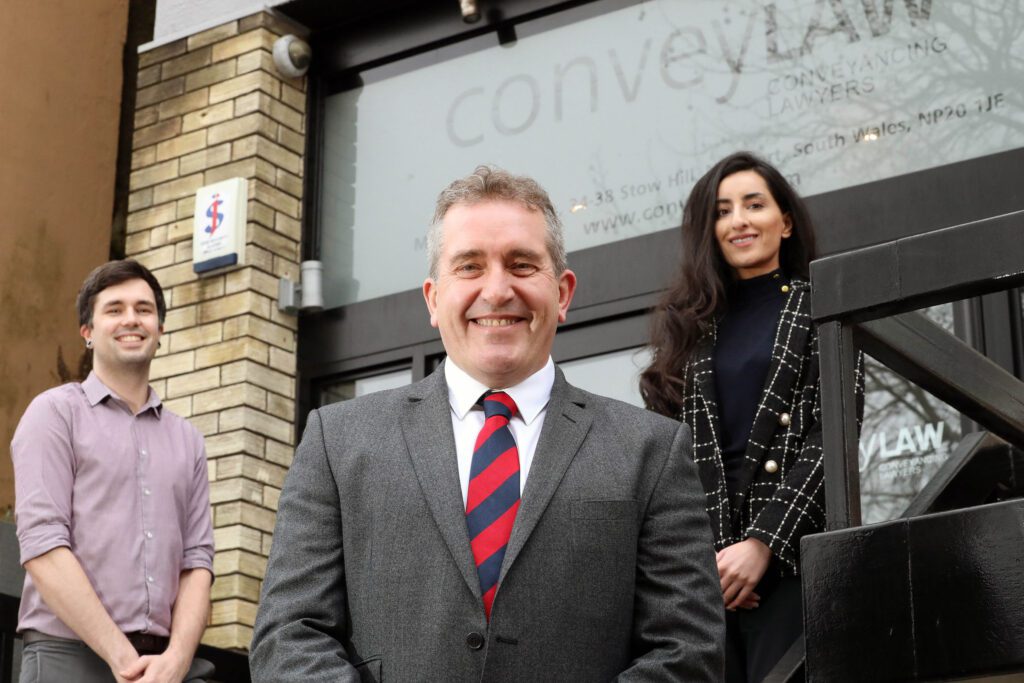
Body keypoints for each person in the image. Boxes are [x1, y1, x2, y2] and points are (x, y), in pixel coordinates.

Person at [250, 166, 724, 681]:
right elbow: (289, 636)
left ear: (563, 293)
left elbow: (687, 650)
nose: (497, 291)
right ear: (433, 298)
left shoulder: (651, 451)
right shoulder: (337, 442)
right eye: (470, 267)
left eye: (522, 265)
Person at [641, 151, 843, 682]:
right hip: (705, 577)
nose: (739, 221)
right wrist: (705, 560)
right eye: (723, 210)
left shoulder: (823, 305)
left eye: (754, 204)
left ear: (786, 221)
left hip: (795, 562)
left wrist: (763, 544)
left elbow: (833, 436)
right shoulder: (689, 327)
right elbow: (667, 461)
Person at [11, 260, 215, 683]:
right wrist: (122, 659)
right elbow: (43, 546)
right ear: (87, 332)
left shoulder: (188, 440)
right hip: (66, 657)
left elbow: (197, 564)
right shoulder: (54, 414)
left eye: (144, 309)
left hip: (163, 668)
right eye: (114, 309)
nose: (131, 319)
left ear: (160, 330)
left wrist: (176, 660)